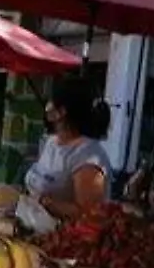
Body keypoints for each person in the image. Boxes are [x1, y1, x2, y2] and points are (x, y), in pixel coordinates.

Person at [24, 82, 112, 219]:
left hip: (63, 236)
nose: (47, 106)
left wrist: (46, 203)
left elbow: (88, 213)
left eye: (51, 101)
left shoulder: (87, 156)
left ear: (62, 112)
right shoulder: (51, 142)